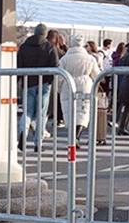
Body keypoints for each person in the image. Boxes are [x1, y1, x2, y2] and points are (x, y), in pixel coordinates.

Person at [17, 23, 59, 151]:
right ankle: (38, 143)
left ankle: (23, 133)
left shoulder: (24, 46)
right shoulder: (49, 47)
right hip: (44, 84)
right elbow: (55, 65)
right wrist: (49, 81)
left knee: (27, 112)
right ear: (45, 34)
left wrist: (18, 81)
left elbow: (19, 65)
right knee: (41, 113)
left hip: (27, 81)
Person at [60, 33, 102, 143]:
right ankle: (77, 136)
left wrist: (58, 89)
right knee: (83, 111)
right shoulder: (90, 58)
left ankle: (72, 135)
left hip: (68, 85)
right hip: (85, 85)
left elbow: (59, 76)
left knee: (69, 110)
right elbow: (97, 75)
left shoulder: (64, 59)